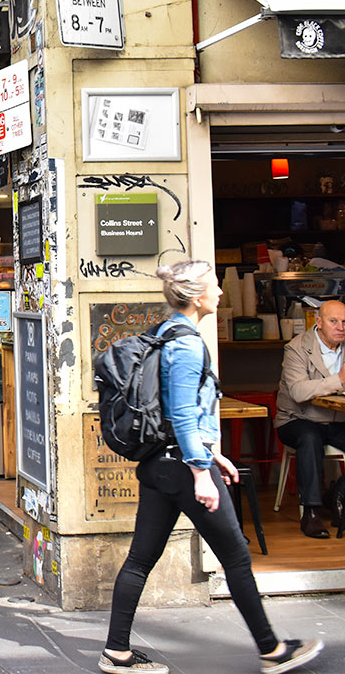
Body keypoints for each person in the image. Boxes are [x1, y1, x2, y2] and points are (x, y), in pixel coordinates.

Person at [99, 261, 323, 674]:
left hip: (159, 465)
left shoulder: (164, 333)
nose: (220, 293)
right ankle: (272, 650)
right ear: (196, 296)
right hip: (184, 469)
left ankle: (117, 652)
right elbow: (182, 413)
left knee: (139, 560)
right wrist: (202, 470)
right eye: (214, 287)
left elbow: (171, 409)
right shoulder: (187, 344)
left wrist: (212, 452)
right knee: (237, 558)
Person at [275, 298, 345, 538]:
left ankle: (337, 493)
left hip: (337, 420)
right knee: (309, 437)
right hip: (296, 419)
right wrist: (339, 381)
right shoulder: (297, 347)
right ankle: (311, 513)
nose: (341, 327)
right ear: (319, 322)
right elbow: (298, 391)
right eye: (334, 321)